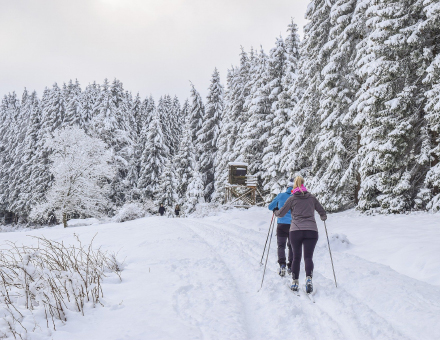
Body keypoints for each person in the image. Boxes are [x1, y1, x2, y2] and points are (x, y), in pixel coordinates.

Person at [273, 176, 327, 294]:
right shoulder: (312, 198)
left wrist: (275, 211)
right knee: (308, 257)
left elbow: (281, 214)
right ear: (303, 184)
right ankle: (308, 279)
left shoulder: (292, 199)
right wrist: (323, 217)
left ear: (294, 186)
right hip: (312, 231)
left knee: (296, 257)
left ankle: (295, 281)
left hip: (296, 231)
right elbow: (322, 212)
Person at [268, 179, 294, 277]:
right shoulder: (297, 197)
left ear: (287, 187)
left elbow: (270, 207)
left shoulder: (281, 195)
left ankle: (282, 265)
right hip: (293, 225)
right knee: (291, 246)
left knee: (281, 246)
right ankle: (291, 266)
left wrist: (276, 209)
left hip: (282, 224)